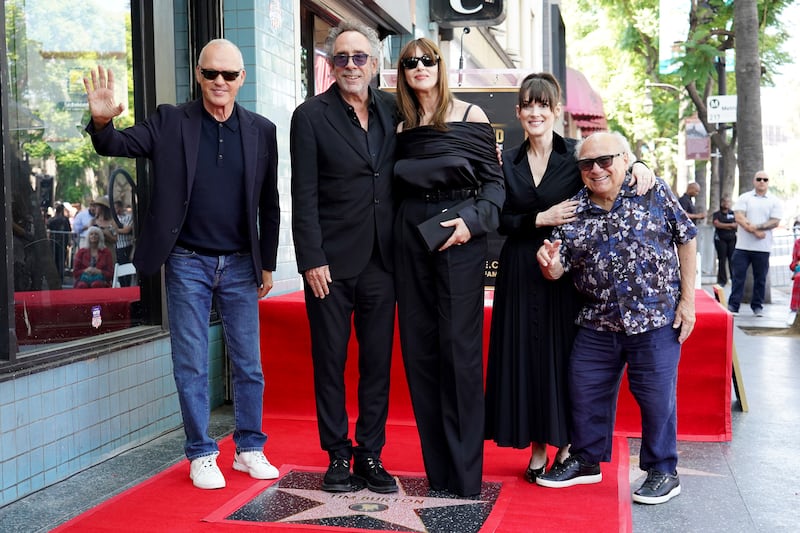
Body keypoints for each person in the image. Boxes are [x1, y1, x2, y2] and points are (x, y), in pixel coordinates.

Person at [83, 38, 281, 490]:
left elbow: (269, 203)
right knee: (191, 362)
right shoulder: (171, 121)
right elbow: (116, 142)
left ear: (241, 79)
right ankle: (201, 452)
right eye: (211, 73)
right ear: (198, 74)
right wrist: (100, 120)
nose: (219, 82)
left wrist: (266, 262)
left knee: (249, 363)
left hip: (239, 265)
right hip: (187, 261)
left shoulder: (261, 130)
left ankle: (250, 447)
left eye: (229, 75)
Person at [484, 73, 654, 484]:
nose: (536, 112)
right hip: (521, 269)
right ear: (519, 112)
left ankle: (565, 444)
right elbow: (497, 219)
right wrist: (538, 218)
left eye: (543, 104)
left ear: (556, 110)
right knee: (525, 358)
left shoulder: (577, 156)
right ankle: (538, 447)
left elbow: (614, 168)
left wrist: (643, 164)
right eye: (528, 105)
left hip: (568, 271)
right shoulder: (506, 162)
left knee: (562, 358)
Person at [535, 131, 697, 506]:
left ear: (626, 159)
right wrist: (550, 265)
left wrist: (686, 301)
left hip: (655, 320)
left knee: (657, 400)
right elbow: (559, 269)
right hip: (598, 322)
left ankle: (663, 471)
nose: (596, 170)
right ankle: (587, 460)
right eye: (587, 164)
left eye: (605, 160)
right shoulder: (574, 210)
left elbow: (686, 238)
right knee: (584, 391)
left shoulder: (652, 191)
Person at [393, 37, 504, 498]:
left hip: (458, 236)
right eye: (410, 62)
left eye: (428, 60)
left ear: (442, 66)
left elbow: (495, 187)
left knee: (459, 354)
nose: (420, 66)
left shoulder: (470, 117)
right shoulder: (398, 128)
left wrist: (470, 224)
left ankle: (464, 476)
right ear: (402, 73)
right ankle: (438, 473)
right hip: (409, 237)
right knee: (419, 352)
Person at [290, 21, 398, 494]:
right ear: (330, 64)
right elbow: (303, 195)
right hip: (330, 264)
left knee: (377, 362)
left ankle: (369, 453)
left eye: (360, 57)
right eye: (342, 58)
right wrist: (311, 258)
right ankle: (336, 453)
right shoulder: (310, 116)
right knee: (329, 360)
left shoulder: (396, 111)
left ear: (374, 63)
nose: (351, 65)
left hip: (384, 260)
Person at [727, 171, 783, 317]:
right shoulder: (745, 198)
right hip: (742, 247)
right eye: (759, 179)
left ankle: (757, 306)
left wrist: (755, 228)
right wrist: (754, 230)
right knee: (738, 277)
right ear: (754, 181)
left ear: (768, 182)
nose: (762, 182)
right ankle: (734, 306)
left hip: (762, 248)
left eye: (765, 179)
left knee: (760, 279)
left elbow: (775, 221)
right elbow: (739, 216)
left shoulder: (774, 200)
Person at [712, 196, 737, 286]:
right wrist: (730, 225)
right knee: (722, 260)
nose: (726, 203)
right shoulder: (717, 214)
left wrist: (724, 225)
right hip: (720, 239)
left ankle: (734, 279)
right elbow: (717, 224)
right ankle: (722, 280)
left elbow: (736, 225)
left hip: (732, 239)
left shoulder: (733, 213)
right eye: (724, 201)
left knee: (732, 260)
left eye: (728, 201)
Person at [47, 203, 72, 282]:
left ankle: (54, 277)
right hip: (62, 241)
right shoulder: (65, 219)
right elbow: (69, 230)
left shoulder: (51, 219)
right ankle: (60, 278)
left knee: (54, 259)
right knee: (61, 259)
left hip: (53, 241)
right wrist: (69, 241)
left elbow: (48, 227)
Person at [90, 196, 118, 264]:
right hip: (95, 253)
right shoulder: (93, 221)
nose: (95, 208)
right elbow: (89, 237)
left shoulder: (112, 222)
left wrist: (105, 234)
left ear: (102, 207)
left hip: (108, 251)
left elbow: (115, 239)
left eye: (97, 206)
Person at [113, 200, 135, 285]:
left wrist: (117, 230)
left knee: (126, 268)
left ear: (120, 208)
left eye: (116, 208)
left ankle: (127, 285)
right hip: (117, 246)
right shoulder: (115, 218)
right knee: (119, 267)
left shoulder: (128, 217)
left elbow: (127, 230)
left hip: (126, 245)